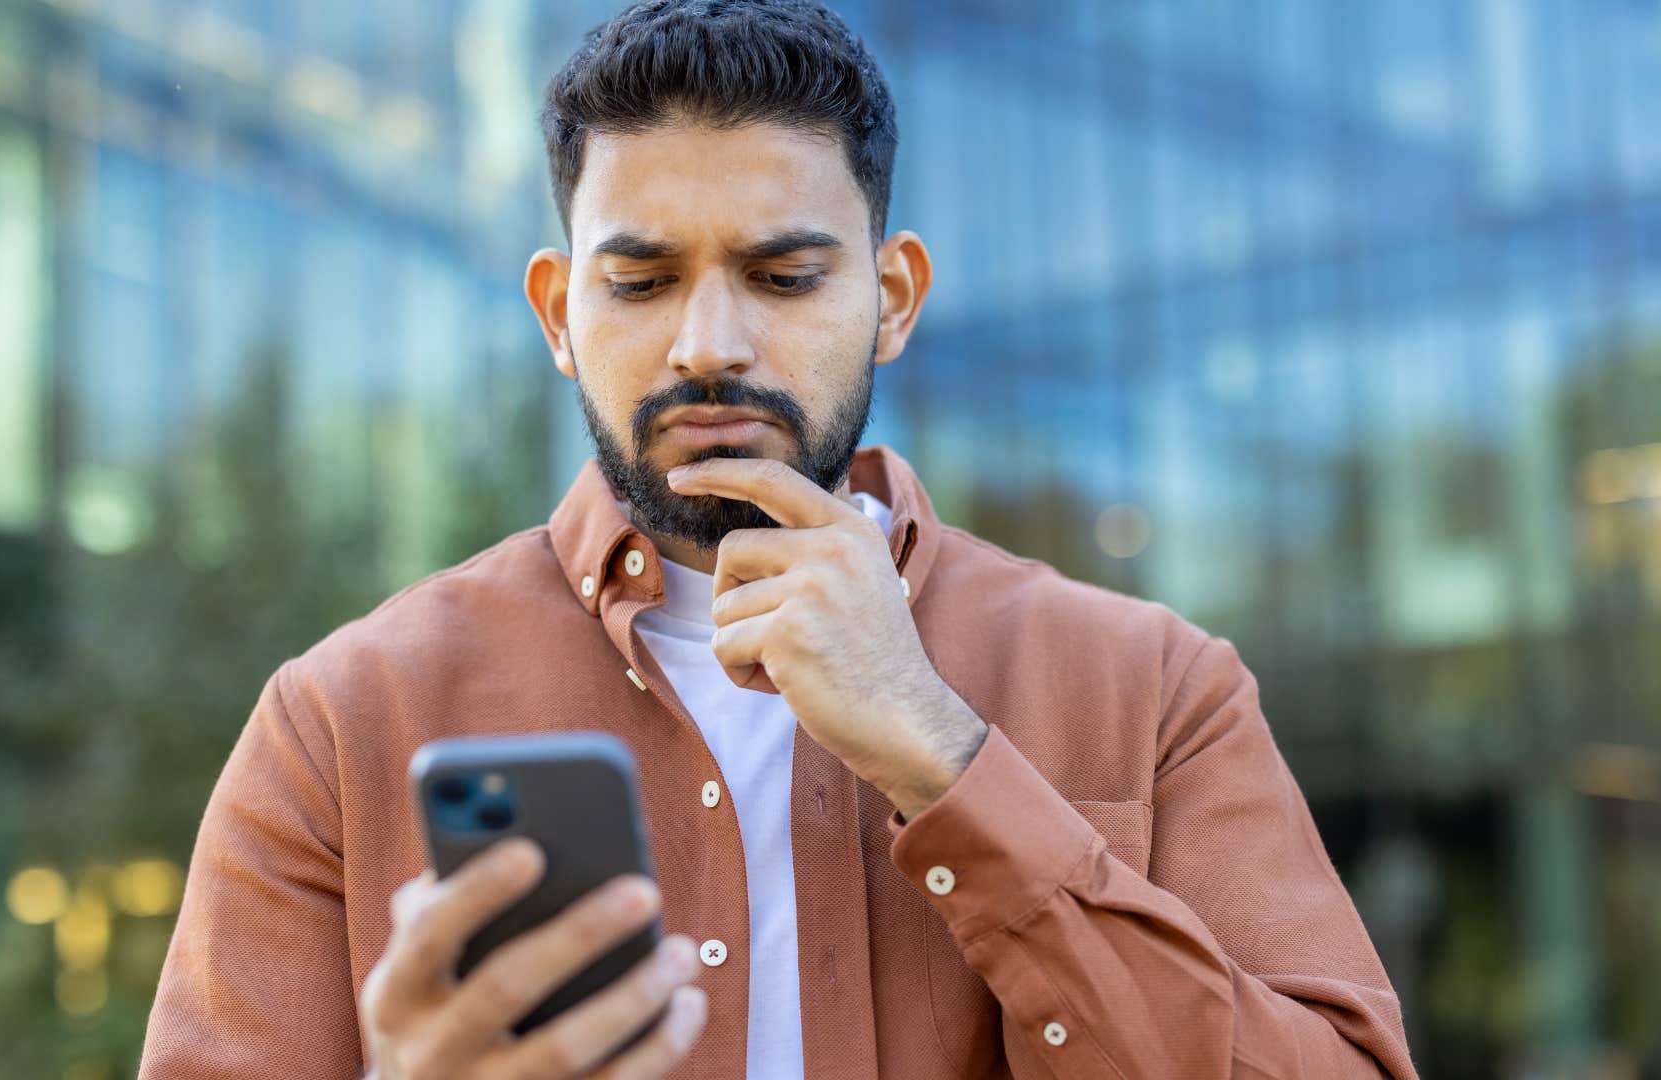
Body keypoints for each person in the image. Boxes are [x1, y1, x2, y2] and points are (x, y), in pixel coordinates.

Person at [139, 1, 1418, 1077]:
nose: (710, 344)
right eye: (640, 282)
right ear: (558, 314)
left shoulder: (1155, 690)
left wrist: (944, 754)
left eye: (785, 276)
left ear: (893, 299)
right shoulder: (343, 723)